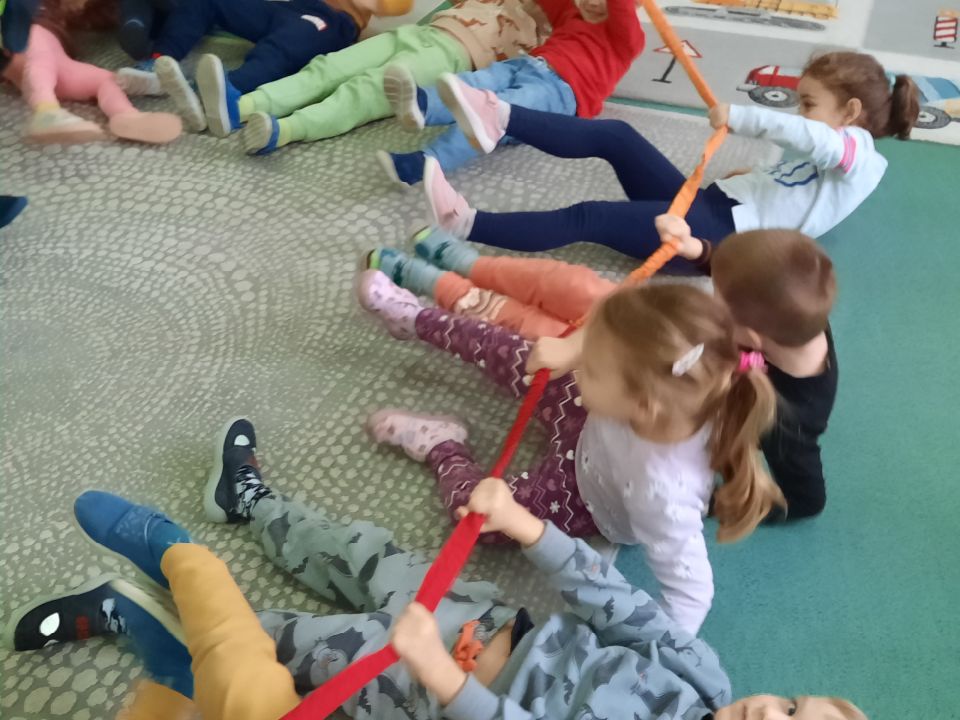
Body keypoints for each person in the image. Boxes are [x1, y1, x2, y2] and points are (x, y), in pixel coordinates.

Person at [3, 419, 867, 720]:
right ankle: (252, 502)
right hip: (483, 617)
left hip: (425, 690)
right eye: (795, 706)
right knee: (357, 549)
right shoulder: (706, 675)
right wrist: (530, 528)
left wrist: (441, 679)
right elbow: (614, 602)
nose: (771, 713)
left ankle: (125, 615)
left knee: (261, 645)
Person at [358, 270, 784, 632]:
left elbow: (692, 597)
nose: (583, 366)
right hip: (593, 421)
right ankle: (414, 317)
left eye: (592, 368)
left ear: (641, 404)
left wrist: (649, 658)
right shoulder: (684, 368)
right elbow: (644, 319)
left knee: (474, 516)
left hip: (579, 496)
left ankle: (442, 444)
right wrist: (575, 348)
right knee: (513, 349)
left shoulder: (663, 494)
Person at [368, 220, 837, 520]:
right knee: (559, 312)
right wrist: (698, 250)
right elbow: (747, 282)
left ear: (749, 337)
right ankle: (435, 299)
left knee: (482, 513)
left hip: (606, 463)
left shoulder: (793, 418)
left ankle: (443, 443)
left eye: (719, 299)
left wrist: (710, 502)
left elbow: (807, 500)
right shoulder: (794, 316)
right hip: (613, 396)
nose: (709, 300)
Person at [417, 51, 920, 271]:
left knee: (590, 216)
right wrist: (755, 179)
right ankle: (500, 116)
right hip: (710, 205)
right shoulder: (842, 159)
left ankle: (465, 223)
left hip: (714, 241)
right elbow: (799, 187)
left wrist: (743, 117)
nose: (799, 113)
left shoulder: (860, 157)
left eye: (808, 103)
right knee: (616, 135)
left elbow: (814, 140)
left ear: (851, 112)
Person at [177, 0, 549, 152]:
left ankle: (285, 130)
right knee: (328, 67)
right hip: (422, 31)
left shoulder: (558, 21)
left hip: (454, 58)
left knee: (367, 91)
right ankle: (240, 106)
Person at [378, 0, 645, 186]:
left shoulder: (628, 37)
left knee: (490, 113)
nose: (588, 3)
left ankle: (422, 165)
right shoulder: (572, 14)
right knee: (474, 81)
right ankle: (422, 104)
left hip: (561, 92)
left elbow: (621, 10)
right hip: (527, 64)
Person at [118, 0, 413, 135]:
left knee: (283, 47)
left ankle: (226, 91)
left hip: (332, 22)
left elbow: (399, 5)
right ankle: (159, 64)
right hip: (290, 6)